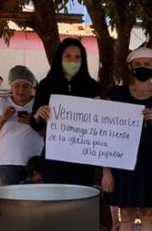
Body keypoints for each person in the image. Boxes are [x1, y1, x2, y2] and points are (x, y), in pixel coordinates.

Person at [102, 48, 152, 231]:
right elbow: (103, 134)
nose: (142, 68)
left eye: (147, 65)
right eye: (138, 65)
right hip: (122, 163)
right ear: (130, 67)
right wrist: (106, 171)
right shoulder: (116, 94)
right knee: (125, 214)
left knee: (149, 215)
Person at [31, 38, 102, 186]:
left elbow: (100, 124)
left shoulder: (92, 86)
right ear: (60, 58)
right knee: (56, 201)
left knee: (80, 200)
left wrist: (100, 108)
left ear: (83, 60)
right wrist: (38, 115)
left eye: (77, 57)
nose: (72, 61)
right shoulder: (46, 85)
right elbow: (34, 123)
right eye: (68, 56)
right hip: (54, 157)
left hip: (83, 159)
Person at [0, 66, 44, 185]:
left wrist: (32, 122)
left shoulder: (40, 105)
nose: (21, 90)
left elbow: (51, 134)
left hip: (36, 163)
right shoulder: (1, 105)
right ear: (11, 86)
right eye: (17, 86)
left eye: (26, 86)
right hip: (7, 163)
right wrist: (3, 117)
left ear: (32, 88)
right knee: (11, 200)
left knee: (34, 199)